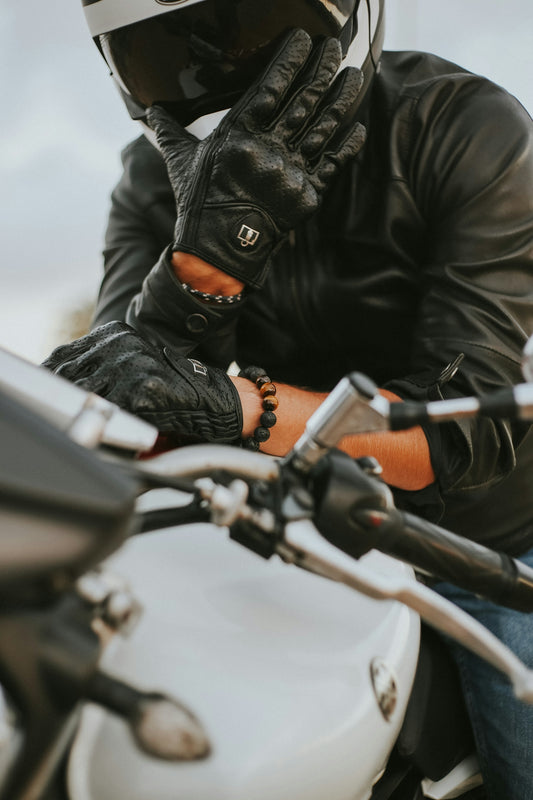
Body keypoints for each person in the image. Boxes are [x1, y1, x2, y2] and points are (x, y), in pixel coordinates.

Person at [44, 1, 533, 796]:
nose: (218, 76)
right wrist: (200, 273)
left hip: (480, 544)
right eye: (171, 51)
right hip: (265, 535)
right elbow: (116, 409)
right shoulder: (147, 179)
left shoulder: (461, 126)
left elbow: (459, 437)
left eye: (248, 30)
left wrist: (245, 408)